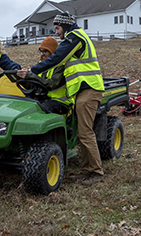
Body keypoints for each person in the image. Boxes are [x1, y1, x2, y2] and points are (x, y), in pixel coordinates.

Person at [28, 12, 105, 184]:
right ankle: (87, 171)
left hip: (89, 89)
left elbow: (56, 58)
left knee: (85, 133)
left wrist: (33, 71)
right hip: (85, 89)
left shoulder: (74, 38)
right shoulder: (76, 37)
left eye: (57, 28)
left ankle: (96, 173)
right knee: (82, 133)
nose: (56, 32)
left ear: (65, 25)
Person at [17, 36, 74, 114]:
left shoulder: (61, 66)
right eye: (40, 51)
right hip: (43, 99)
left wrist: (30, 76)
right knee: (23, 106)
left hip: (60, 102)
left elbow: (52, 84)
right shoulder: (40, 65)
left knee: (41, 109)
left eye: (45, 51)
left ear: (53, 51)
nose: (42, 54)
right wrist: (22, 80)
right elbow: (34, 86)